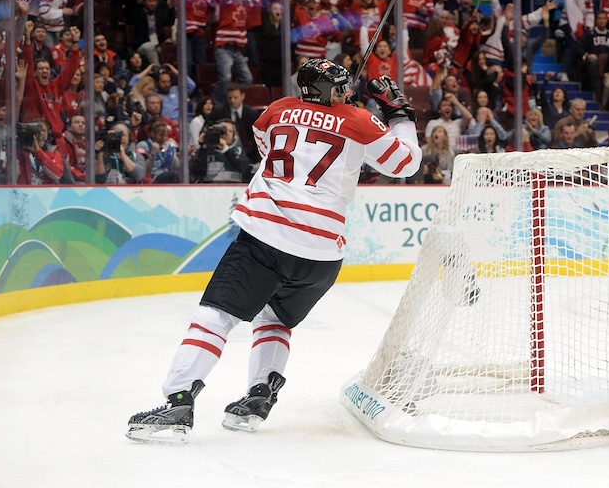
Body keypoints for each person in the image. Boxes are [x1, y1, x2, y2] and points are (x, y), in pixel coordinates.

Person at [126, 61, 420, 444]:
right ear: (330, 91)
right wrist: (399, 115)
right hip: (322, 256)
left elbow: (267, 145)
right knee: (274, 318)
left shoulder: (277, 109)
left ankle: (178, 402)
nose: (346, 92)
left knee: (214, 317)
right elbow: (406, 164)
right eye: (341, 88)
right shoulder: (359, 119)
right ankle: (259, 395)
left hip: (266, 237)